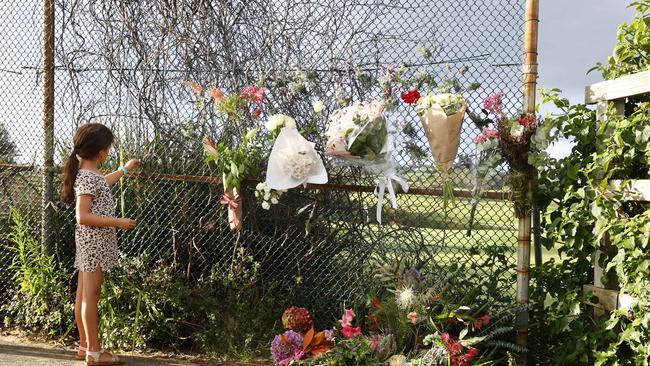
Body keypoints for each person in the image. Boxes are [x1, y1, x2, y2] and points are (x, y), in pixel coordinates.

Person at [61, 123, 140, 366]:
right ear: (101, 152)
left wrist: (124, 171)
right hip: (94, 244)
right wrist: (117, 222)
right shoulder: (87, 178)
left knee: (84, 296)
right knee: (90, 297)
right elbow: (82, 216)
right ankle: (95, 353)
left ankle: (85, 347)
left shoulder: (89, 175)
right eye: (108, 148)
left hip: (90, 245)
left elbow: (102, 182)